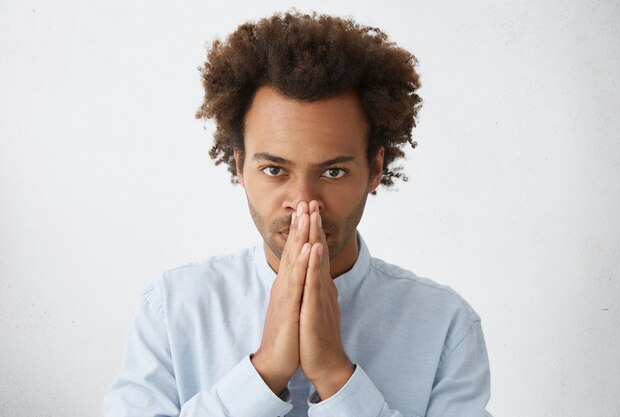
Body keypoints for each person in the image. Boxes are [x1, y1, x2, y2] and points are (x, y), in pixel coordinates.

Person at [103, 10, 493, 417]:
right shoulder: (173, 307)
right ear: (239, 166)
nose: (304, 202)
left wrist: (336, 377)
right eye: (275, 170)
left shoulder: (446, 326)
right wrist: (265, 370)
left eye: (333, 171)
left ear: (375, 169)